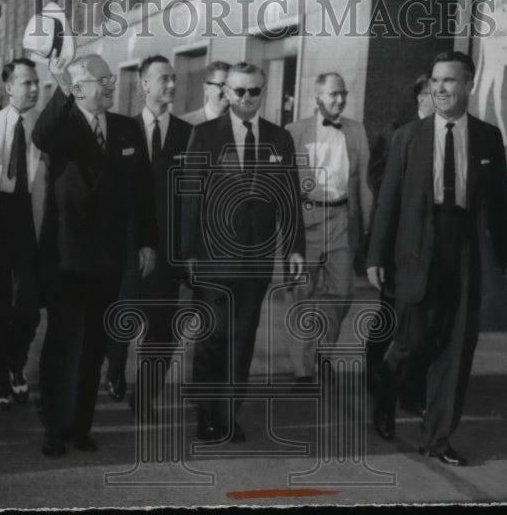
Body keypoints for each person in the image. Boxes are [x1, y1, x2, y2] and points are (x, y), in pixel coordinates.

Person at [366, 50, 507, 467]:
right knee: (411, 342)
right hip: (416, 247)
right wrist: (376, 255)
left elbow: (499, 205)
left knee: (456, 349)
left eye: (449, 80)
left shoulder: (487, 137)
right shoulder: (408, 137)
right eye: (435, 81)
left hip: (463, 249)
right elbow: (388, 202)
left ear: (469, 84)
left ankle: (436, 439)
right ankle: (385, 387)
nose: (439, 88)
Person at [32, 53, 156, 457]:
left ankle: (81, 427)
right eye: (102, 80)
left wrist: (147, 241)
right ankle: (55, 427)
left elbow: (143, 190)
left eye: (110, 79)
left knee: (94, 345)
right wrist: (60, 88)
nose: (110, 85)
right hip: (67, 256)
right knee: (62, 344)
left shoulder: (126, 128)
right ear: (79, 87)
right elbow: (42, 136)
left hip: (109, 257)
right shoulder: (63, 125)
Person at [181, 61, 305, 443]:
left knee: (242, 337)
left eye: (254, 90)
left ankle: (228, 415)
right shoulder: (204, 135)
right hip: (213, 257)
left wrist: (294, 248)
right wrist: (187, 252)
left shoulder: (279, 138)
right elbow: (191, 197)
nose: (247, 98)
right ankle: (206, 413)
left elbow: (289, 199)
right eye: (239, 90)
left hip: (256, 259)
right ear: (226, 92)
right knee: (214, 335)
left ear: (262, 91)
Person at [117, 55, 193, 415]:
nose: (172, 85)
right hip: (126, 247)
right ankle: (115, 372)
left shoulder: (187, 135)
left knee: (161, 327)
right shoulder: (122, 131)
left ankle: (145, 396)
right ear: (144, 83)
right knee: (118, 319)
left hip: (168, 250)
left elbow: (194, 197)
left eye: (174, 78)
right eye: (163, 78)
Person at [285, 73, 372, 383]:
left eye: (343, 93)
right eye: (333, 94)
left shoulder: (356, 130)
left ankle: (323, 353)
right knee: (302, 295)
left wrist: (367, 227)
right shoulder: (294, 131)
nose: (340, 99)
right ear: (318, 96)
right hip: (306, 220)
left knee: (342, 292)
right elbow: (283, 186)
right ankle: (303, 369)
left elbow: (364, 182)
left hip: (342, 220)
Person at [0, 58, 46, 412]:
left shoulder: (46, 128)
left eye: (36, 82)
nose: (33, 89)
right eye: (26, 82)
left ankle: (16, 363)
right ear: (8, 87)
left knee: (29, 309)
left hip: (30, 222)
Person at [364, 72, 434, 410]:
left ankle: (411, 390)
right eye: (436, 91)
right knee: (390, 312)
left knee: (423, 319)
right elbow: (377, 180)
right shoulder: (395, 132)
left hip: (430, 244)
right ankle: (373, 370)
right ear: (421, 97)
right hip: (397, 241)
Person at [179, 60, 230, 125]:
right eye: (222, 85)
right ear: (206, 87)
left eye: (231, 86)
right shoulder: (183, 123)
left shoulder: (240, 124)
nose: (228, 91)